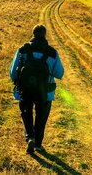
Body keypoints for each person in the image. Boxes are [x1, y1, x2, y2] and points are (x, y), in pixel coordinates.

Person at [9, 24, 64, 154]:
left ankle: (30, 137)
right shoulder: (52, 52)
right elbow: (60, 73)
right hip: (46, 93)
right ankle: (38, 145)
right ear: (45, 35)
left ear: (32, 34)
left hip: (25, 91)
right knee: (41, 117)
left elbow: (12, 74)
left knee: (26, 113)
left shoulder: (22, 50)